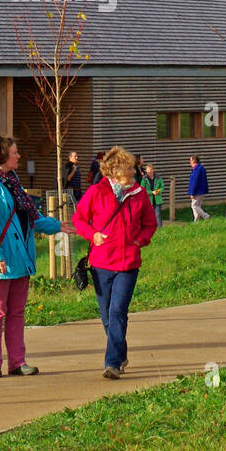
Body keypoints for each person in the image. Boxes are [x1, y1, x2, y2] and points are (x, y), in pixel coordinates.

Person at [0, 135, 75, 377]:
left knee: (16, 313)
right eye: (14, 152)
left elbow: (31, 218)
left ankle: (17, 362)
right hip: (0, 260)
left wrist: (56, 225)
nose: (18, 156)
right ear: (1, 155)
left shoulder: (13, 183)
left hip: (21, 259)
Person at [72, 145, 158, 379]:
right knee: (107, 315)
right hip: (101, 263)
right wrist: (93, 235)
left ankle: (111, 363)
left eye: (133, 167)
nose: (134, 171)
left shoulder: (139, 194)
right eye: (129, 167)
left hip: (128, 263)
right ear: (115, 171)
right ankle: (120, 353)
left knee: (118, 311)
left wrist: (141, 240)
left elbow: (150, 224)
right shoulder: (96, 192)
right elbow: (79, 219)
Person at [188, 154, 209, 220]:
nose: (190, 162)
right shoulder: (201, 168)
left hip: (197, 191)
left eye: (190, 160)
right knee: (198, 206)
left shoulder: (196, 169)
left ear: (194, 160)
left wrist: (192, 193)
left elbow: (194, 182)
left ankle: (206, 216)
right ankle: (196, 221)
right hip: (202, 190)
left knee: (194, 206)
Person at [143, 162, 164, 227]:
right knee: (149, 216)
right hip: (149, 201)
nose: (149, 172)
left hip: (157, 200)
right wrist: (151, 192)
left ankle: (160, 229)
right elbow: (143, 190)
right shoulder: (144, 179)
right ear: (146, 171)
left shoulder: (158, 178)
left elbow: (162, 187)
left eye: (151, 171)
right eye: (148, 171)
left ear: (153, 170)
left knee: (158, 215)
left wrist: (158, 191)